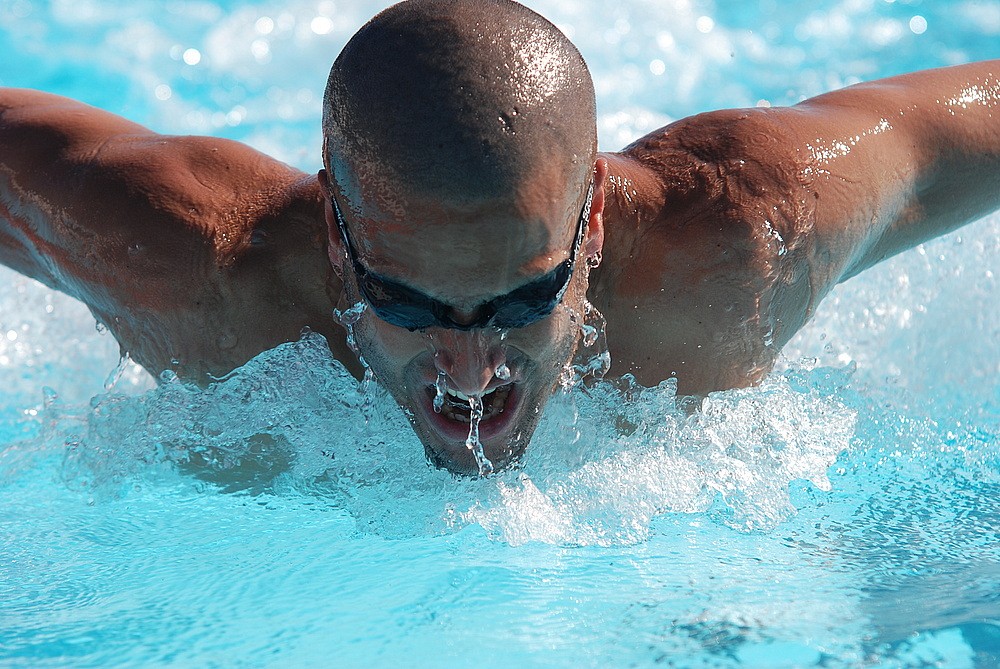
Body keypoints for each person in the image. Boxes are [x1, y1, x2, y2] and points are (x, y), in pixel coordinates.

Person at [1, 0, 997, 475]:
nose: (471, 371)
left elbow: (955, 129)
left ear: (592, 221)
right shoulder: (189, 269)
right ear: (339, 245)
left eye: (523, 301)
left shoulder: (734, 245)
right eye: (410, 305)